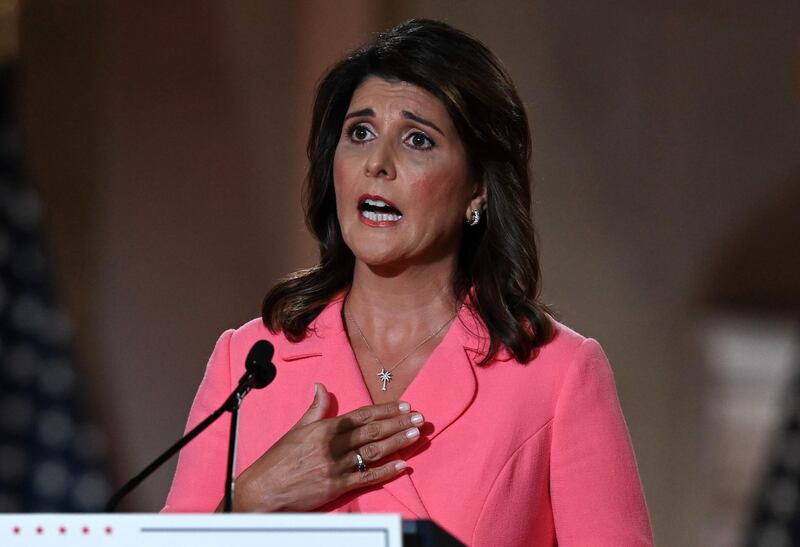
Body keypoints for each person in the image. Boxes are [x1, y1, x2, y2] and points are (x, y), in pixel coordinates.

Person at [163, 19, 654, 546]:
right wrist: (253, 499)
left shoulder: (556, 375)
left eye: (417, 139)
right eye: (360, 133)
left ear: (478, 190)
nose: (377, 163)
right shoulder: (250, 361)